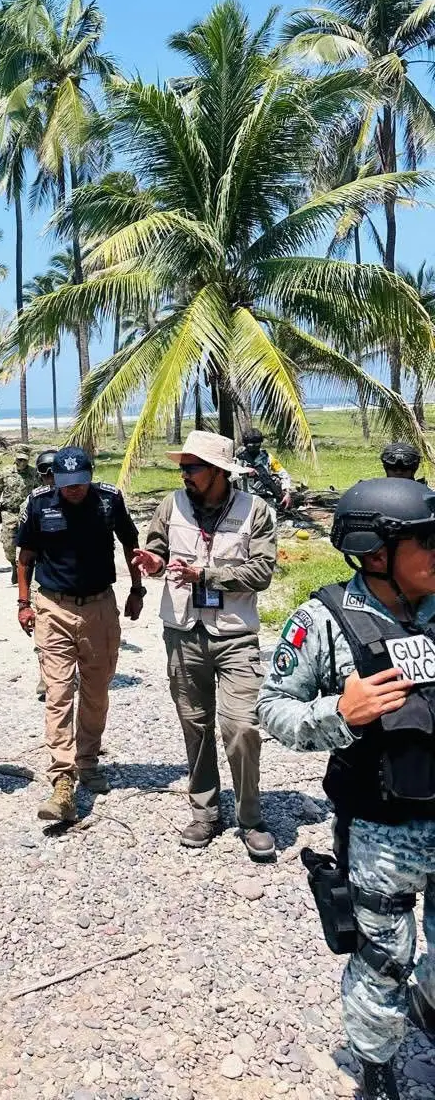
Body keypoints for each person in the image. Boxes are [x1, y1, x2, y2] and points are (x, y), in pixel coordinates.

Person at [257, 479, 435, 1100]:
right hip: (381, 833)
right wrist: (341, 711)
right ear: (377, 551)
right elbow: (273, 710)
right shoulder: (323, 620)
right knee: (384, 959)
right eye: (427, 542)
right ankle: (377, 1065)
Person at [132, 430, 277, 861]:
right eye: (183, 467)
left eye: (192, 468)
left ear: (218, 472)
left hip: (235, 634)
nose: (184, 475)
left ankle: (250, 817)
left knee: (241, 727)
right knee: (194, 725)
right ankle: (205, 811)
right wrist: (153, 562)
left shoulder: (256, 510)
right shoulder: (169, 506)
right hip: (182, 631)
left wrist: (207, 576)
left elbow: (263, 572)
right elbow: (157, 553)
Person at [17, 447, 144, 822]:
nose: (74, 490)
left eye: (80, 483)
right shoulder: (39, 503)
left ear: (90, 475)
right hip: (53, 607)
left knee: (96, 691)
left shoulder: (109, 500)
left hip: (100, 606)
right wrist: (24, 603)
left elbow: (130, 545)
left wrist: (136, 591)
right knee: (57, 693)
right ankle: (62, 778)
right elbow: (25, 558)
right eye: (66, 483)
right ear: (53, 478)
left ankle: (88, 761)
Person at [25, 451, 57, 701]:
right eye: (45, 473)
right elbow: (25, 549)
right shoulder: (35, 502)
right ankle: (46, 676)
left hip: (73, 577)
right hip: (43, 575)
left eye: (53, 472)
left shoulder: (82, 497)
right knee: (43, 626)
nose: (50, 478)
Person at [0, 446, 37, 585]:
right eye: (19, 459)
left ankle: (24, 570)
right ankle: (13, 564)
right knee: (9, 544)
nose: (22, 462)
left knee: (27, 543)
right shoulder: (5, 472)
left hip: (26, 514)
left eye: (24, 460)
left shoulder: (34, 473)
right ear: (15, 458)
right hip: (9, 513)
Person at [236, 428, 292, 511]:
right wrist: (243, 471)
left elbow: (284, 474)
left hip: (266, 499)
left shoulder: (268, 458)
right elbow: (229, 475)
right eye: (251, 444)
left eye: (257, 444)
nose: (254, 447)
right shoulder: (239, 458)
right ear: (245, 444)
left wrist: (287, 493)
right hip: (245, 499)